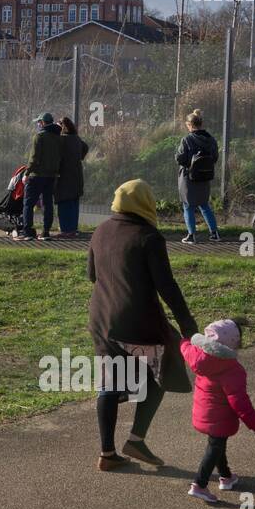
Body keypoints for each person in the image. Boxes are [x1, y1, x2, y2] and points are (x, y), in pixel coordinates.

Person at [87, 178, 197, 471]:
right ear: (146, 203)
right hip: (136, 321)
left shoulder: (100, 230)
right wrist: (188, 326)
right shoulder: (149, 237)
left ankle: (107, 453)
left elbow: (91, 275)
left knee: (110, 381)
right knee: (166, 363)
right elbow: (167, 287)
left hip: (101, 319)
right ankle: (136, 439)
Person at [180, 319, 255, 504]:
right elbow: (239, 401)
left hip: (203, 412)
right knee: (215, 447)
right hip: (220, 417)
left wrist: (184, 340)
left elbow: (185, 346)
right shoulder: (232, 370)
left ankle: (226, 477)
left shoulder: (198, 355)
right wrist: (254, 423)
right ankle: (199, 485)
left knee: (217, 444)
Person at [175, 108, 220, 244]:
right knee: (204, 205)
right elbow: (215, 157)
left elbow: (180, 159)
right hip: (204, 176)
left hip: (189, 177)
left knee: (188, 205)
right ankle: (214, 234)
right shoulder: (211, 139)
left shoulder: (187, 139)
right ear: (201, 124)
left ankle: (191, 235)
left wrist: (177, 156)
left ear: (190, 125)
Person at [19, 113, 61, 240]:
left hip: (36, 175)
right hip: (51, 176)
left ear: (42, 122)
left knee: (28, 203)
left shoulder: (39, 136)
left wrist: (26, 173)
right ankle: (45, 232)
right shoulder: (58, 137)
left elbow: (34, 158)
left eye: (39, 122)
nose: (38, 124)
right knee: (47, 203)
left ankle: (28, 232)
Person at [55, 116, 89, 237]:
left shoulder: (61, 140)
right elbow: (85, 147)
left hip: (65, 175)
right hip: (77, 174)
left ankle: (65, 230)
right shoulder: (76, 138)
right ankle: (73, 229)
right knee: (74, 201)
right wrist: (79, 156)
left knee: (64, 201)